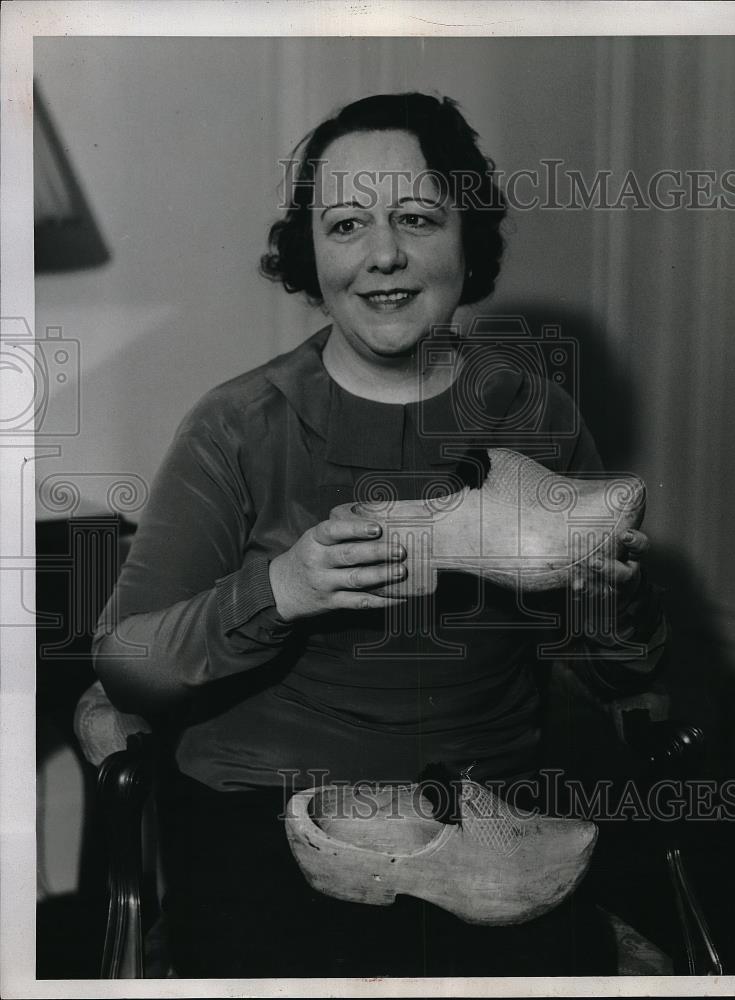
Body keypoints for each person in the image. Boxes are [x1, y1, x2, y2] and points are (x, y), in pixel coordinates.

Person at [92, 93, 666, 978]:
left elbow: (611, 671)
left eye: (417, 218)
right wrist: (281, 589)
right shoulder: (238, 425)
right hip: (270, 815)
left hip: (492, 822)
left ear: (464, 236)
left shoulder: (538, 414)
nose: (384, 256)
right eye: (347, 224)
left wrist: (610, 607)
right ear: (309, 253)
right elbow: (126, 662)